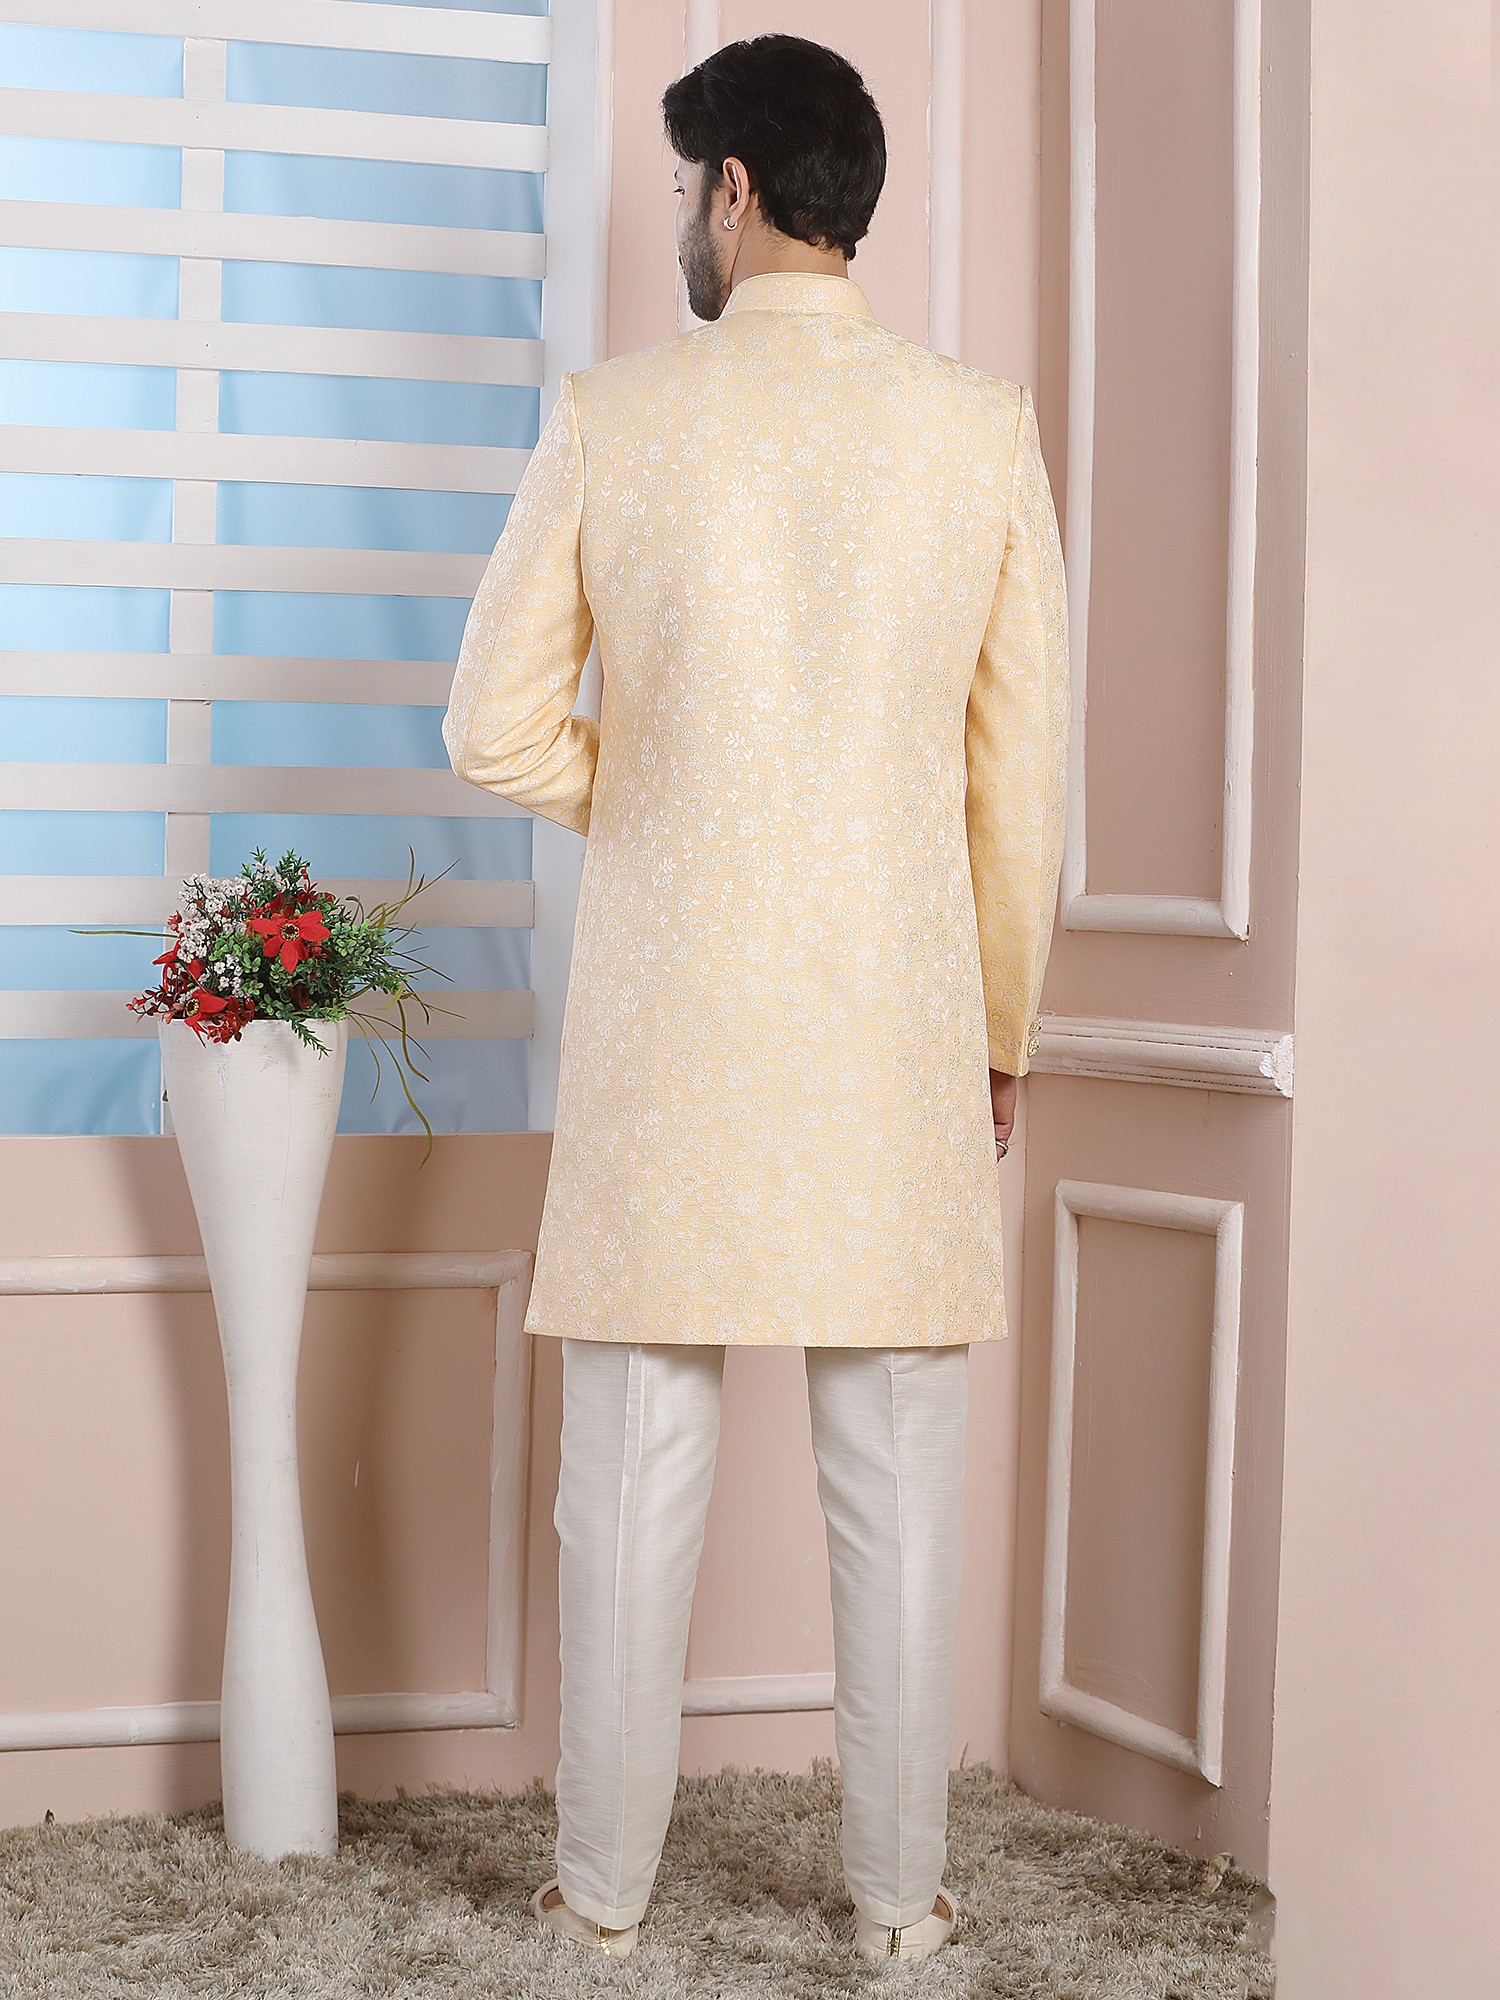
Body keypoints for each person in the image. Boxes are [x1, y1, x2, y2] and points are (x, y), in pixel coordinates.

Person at [441, 31, 1070, 1967]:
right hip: (895, 1030)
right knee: (900, 1493)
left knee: (628, 1477)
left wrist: (659, 794)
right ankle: (894, 1910)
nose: (675, 226)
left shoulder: (613, 416)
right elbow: (1019, 791)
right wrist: (996, 1036)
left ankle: (599, 1901)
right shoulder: (979, 429)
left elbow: (491, 729)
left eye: (679, 190)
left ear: (731, 190)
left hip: (671, 1031)